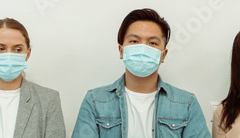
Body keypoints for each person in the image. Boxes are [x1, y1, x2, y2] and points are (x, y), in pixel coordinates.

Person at [71, 8, 210, 138]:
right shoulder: (95, 101)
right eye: (134, 41)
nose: (143, 48)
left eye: (152, 43)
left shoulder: (186, 103)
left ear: (163, 55)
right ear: (121, 51)